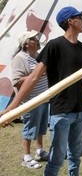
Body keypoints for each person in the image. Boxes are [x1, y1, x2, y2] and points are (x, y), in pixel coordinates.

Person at [0, 6, 82, 175]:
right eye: (80, 17)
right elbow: (33, 78)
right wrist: (12, 108)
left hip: (80, 110)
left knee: (75, 157)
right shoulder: (54, 46)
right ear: (70, 21)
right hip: (61, 112)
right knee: (56, 159)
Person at [1, 31, 50, 169]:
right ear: (26, 43)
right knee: (30, 128)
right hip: (31, 100)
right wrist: (37, 74)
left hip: (43, 98)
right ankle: (26, 157)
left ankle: (39, 151)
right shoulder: (20, 58)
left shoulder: (36, 57)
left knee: (41, 126)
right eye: (33, 38)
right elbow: (16, 81)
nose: (37, 40)